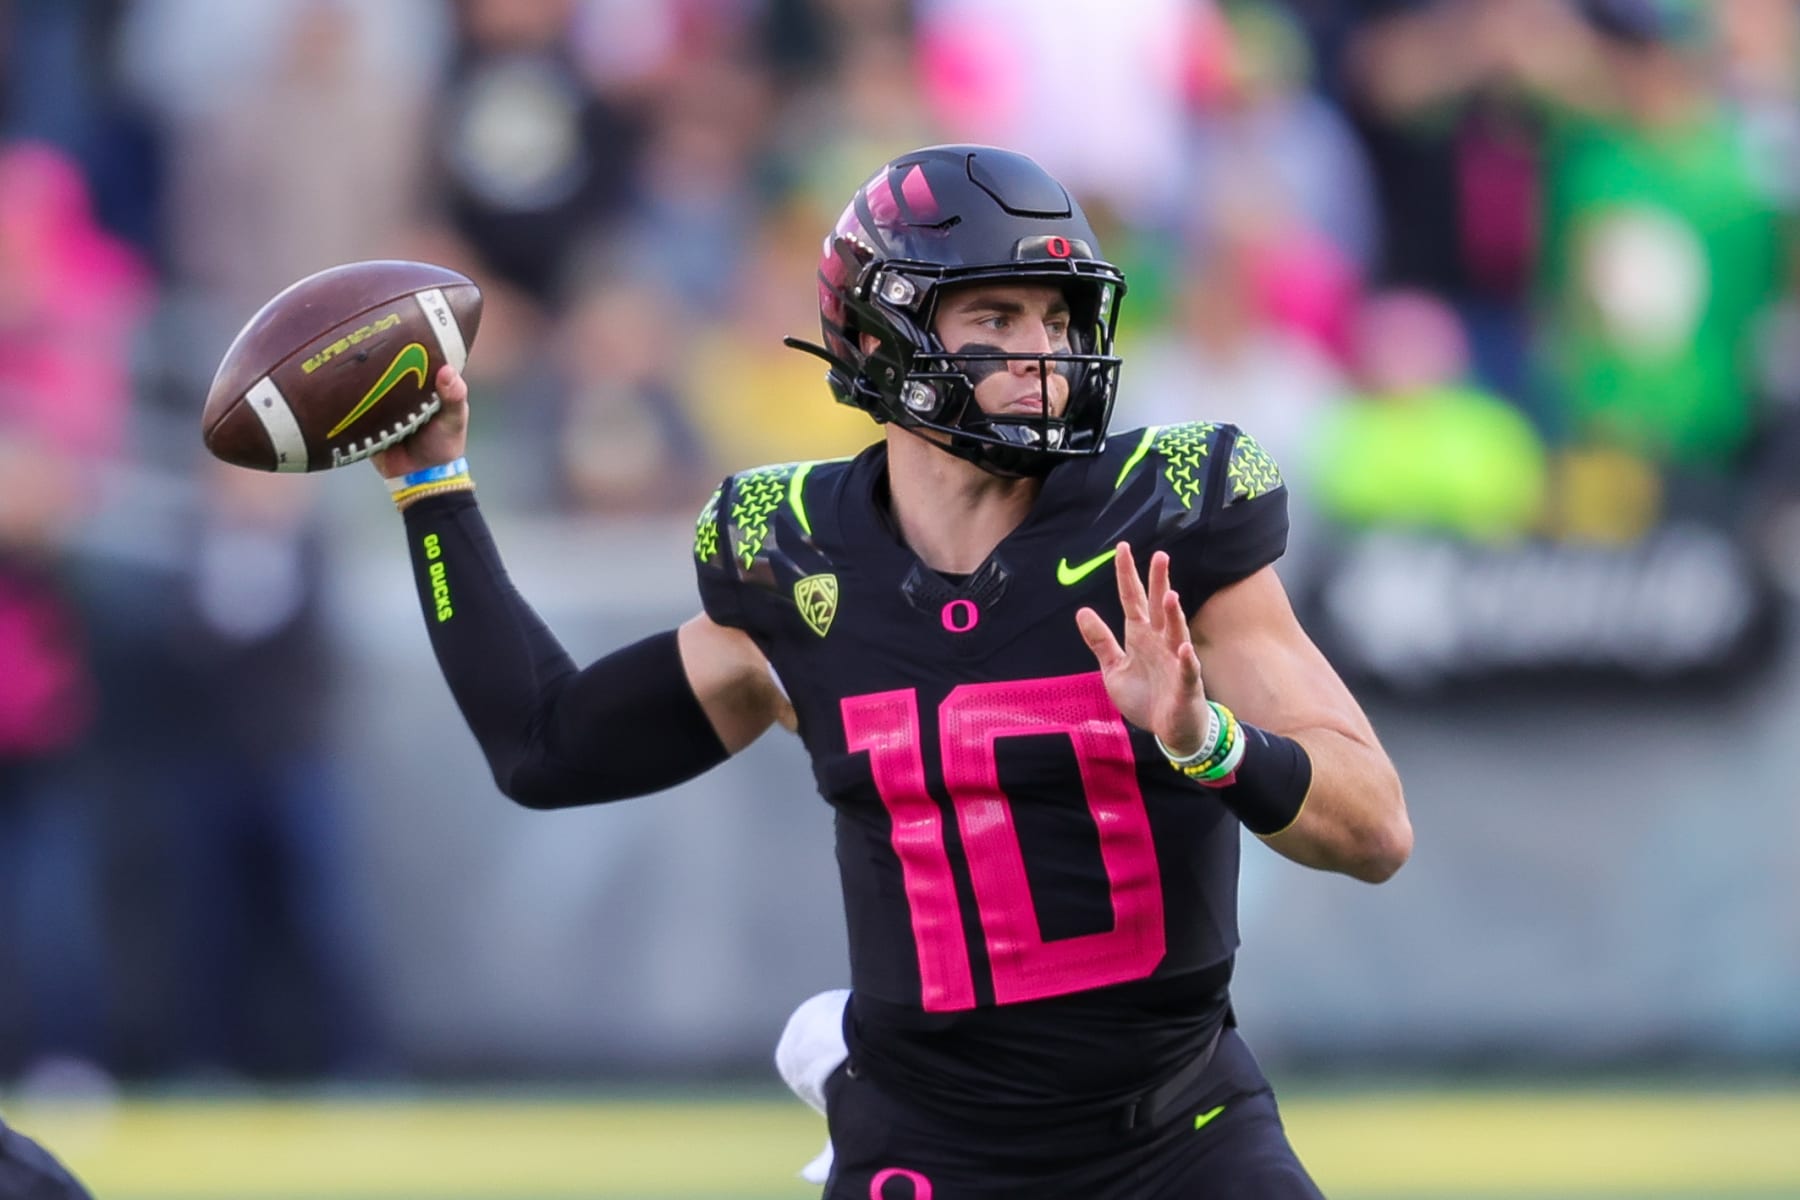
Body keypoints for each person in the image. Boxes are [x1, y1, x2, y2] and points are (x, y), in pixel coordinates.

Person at [374, 144, 1411, 1198]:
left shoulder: (1164, 524)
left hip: (1174, 1133)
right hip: (929, 1150)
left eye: (1056, 319)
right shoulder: (798, 566)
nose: (1040, 354)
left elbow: (1375, 829)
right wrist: (432, 486)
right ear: (878, 336)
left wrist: (1206, 741)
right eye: (994, 320)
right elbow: (545, 746)